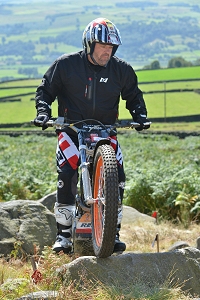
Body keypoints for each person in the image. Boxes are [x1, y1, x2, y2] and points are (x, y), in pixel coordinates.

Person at [34, 17, 150, 254]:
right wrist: (43, 112)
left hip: (106, 131)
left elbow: (133, 96)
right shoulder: (65, 65)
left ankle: (112, 231)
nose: (108, 52)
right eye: (103, 47)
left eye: (111, 48)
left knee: (117, 174)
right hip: (71, 129)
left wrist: (140, 115)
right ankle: (63, 235)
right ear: (89, 44)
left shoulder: (122, 69)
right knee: (67, 172)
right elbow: (45, 91)